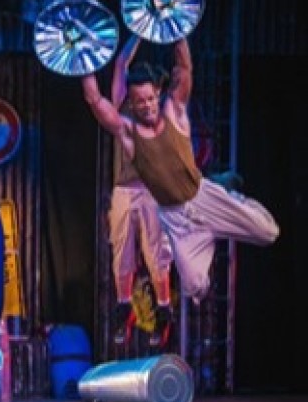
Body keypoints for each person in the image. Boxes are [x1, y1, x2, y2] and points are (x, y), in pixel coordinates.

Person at [81, 36, 280, 314]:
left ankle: (233, 197)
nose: (147, 106)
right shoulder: (128, 132)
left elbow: (184, 68)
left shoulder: (174, 112)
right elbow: (95, 100)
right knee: (195, 286)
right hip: (176, 218)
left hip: (204, 198)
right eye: (140, 102)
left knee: (269, 233)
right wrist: (81, 61)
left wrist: (176, 30)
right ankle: (208, 235)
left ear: (157, 94)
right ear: (132, 104)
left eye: (150, 99)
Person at [106, 34, 174, 347]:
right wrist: (141, 31)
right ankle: (124, 309)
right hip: (124, 189)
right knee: (121, 252)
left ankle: (163, 310)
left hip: (152, 190)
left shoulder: (163, 113)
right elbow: (121, 63)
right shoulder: (122, 109)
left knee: (157, 254)